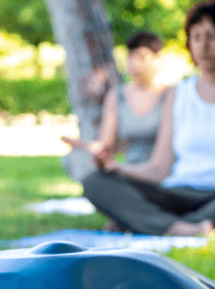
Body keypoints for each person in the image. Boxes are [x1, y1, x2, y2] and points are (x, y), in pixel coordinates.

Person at [66, 0, 215, 236]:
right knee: (95, 182)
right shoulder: (178, 94)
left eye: (211, 36)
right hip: (175, 192)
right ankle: (177, 226)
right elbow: (159, 168)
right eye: (197, 37)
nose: (204, 46)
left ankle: (147, 222)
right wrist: (117, 168)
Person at [62, 31, 170, 230]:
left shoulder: (170, 95)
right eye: (130, 57)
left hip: (162, 171)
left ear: (158, 60)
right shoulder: (117, 95)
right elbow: (105, 143)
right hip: (128, 169)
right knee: (78, 163)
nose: (134, 64)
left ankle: (136, 218)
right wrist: (89, 148)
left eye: (142, 57)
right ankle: (132, 215)